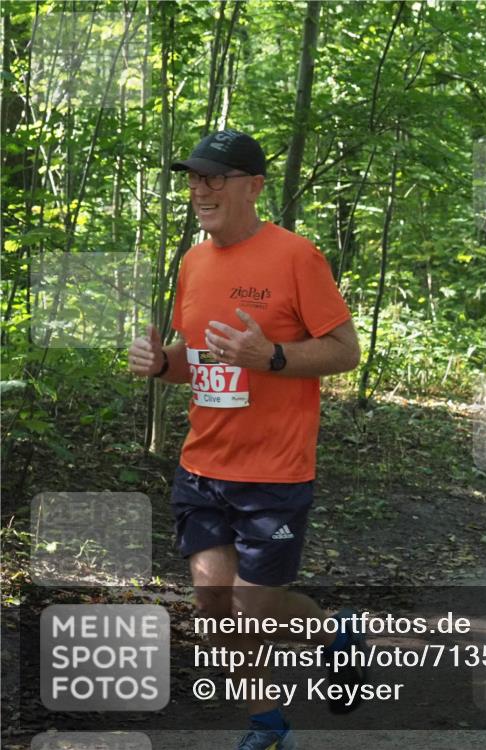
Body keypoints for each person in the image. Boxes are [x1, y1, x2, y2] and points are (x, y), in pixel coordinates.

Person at [127, 130, 364, 750]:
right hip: (203, 463)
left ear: (254, 186)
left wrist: (275, 355)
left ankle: (335, 633)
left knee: (254, 608)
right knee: (214, 606)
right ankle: (265, 724)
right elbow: (198, 359)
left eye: (215, 178)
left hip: (275, 470)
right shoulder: (193, 262)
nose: (200, 189)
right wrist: (160, 363)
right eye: (194, 178)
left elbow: (346, 351)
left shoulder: (296, 257)